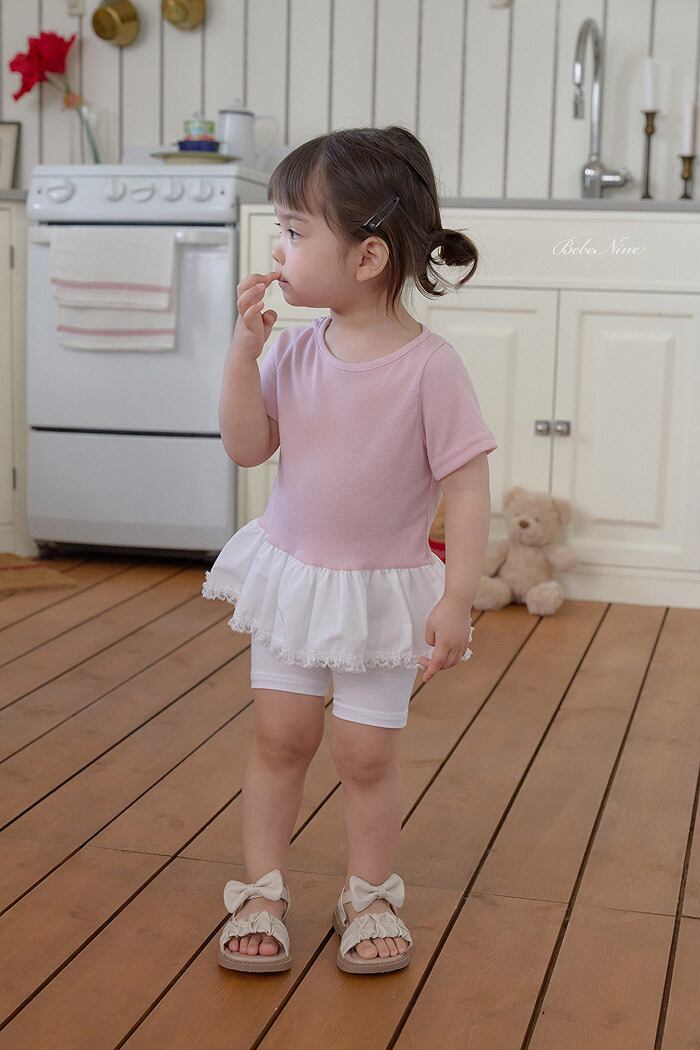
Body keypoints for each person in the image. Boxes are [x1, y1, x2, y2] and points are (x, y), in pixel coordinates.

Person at [202, 125, 497, 975]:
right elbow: (247, 447)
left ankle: (369, 895)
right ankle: (261, 891)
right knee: (279, 738)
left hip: (379, 595)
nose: (279, 249)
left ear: (367, 257)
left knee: (365, 755)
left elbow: (467, 488)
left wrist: (458, 596)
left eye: (295, 232)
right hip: (294, 582)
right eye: (281, 230)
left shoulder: (431, 368)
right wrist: (243, 355)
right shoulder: (294, 349)